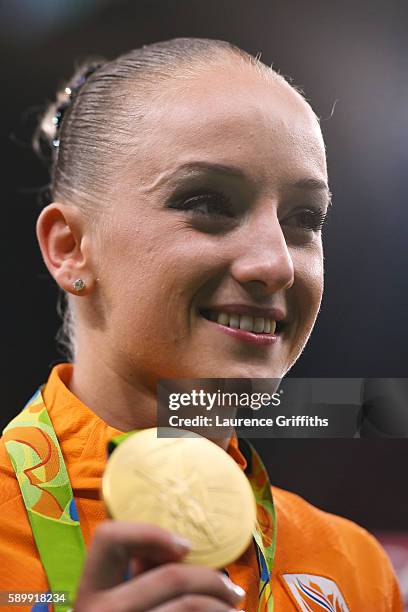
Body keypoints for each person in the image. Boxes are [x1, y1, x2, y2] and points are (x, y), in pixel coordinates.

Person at [0, 38, 402, 611]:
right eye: (209, 202)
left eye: (304, 219)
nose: (276, 264)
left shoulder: (352, 566)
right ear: (70, 248)